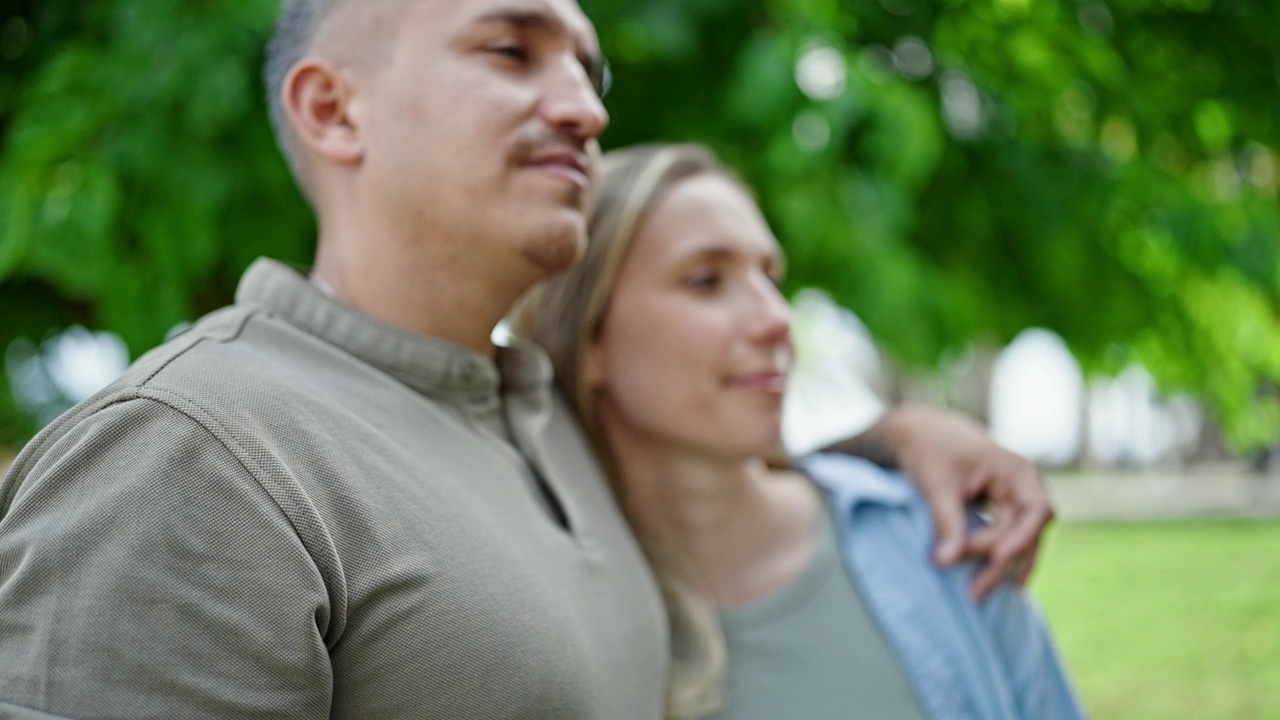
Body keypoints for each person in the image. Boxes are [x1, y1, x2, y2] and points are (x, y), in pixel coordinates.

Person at [0, 1, 1049, 718]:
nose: (588, 110)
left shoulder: (536, 416)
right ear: (332, 109)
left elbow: (713, 473)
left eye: (587, 72)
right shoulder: (189, 455)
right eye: (509, 50)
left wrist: (904, 437)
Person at [513, 143, 1084, 719]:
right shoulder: (546, 627)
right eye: (707, 280)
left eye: (770, 276)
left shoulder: (934, 541)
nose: (777, 319)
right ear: (590, 343)